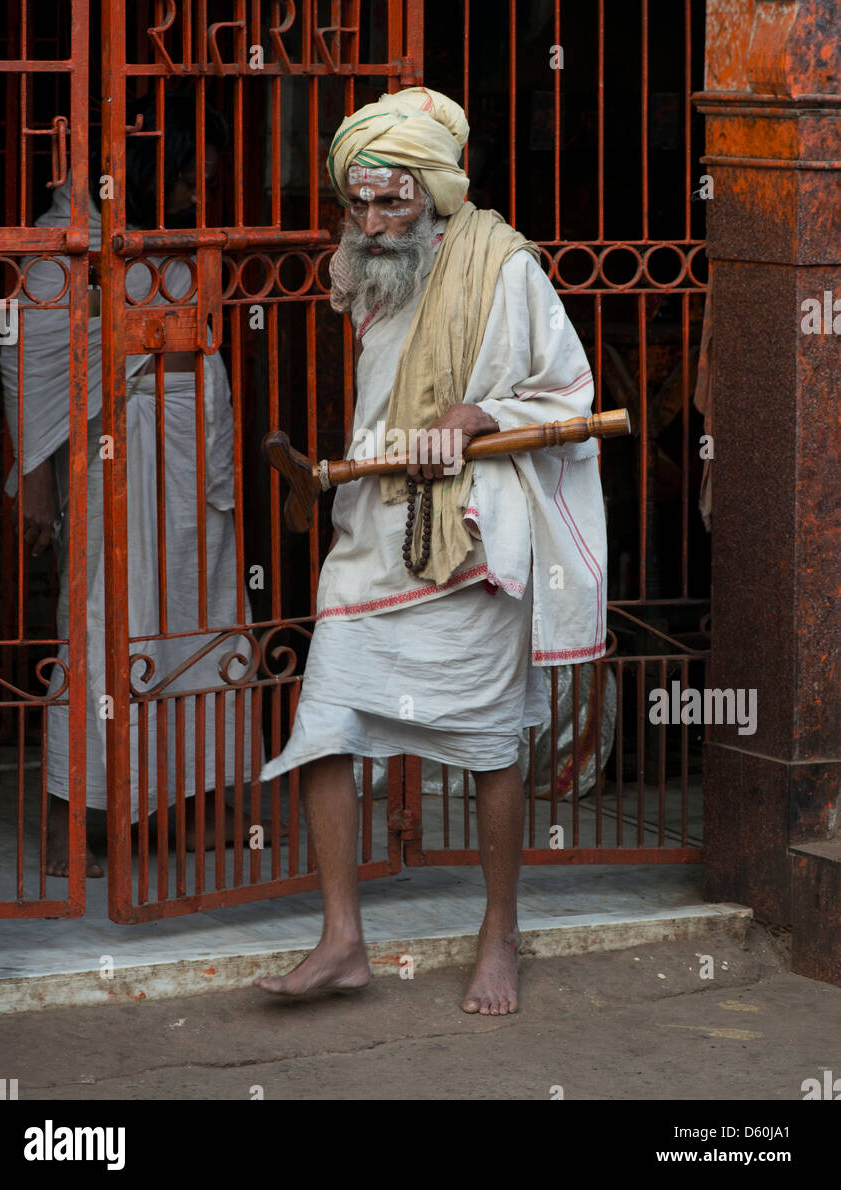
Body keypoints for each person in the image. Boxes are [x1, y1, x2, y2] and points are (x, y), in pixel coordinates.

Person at [254, 86, 607, 1014]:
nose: (370, 222)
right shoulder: (369, 272)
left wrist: (475, 412)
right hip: (372, 530)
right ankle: (341, 939)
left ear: (436, 194)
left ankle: (500, 933)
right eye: (357, 202)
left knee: (489, 745)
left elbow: (571, 395)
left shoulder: (501, 267)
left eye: (392, 202)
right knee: (323, 719)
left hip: (470, 537)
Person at [0, 93, 267, 877]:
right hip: (113, 453)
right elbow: (31, 369)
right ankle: (69, 818)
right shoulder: (66, 241)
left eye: (204, 178)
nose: (195, 193)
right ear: (147, 168)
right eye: (185, 177)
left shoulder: (172, 232)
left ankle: (190, 810)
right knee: (103, 623)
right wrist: (36, 480)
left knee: (201, 617)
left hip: (191, 458)